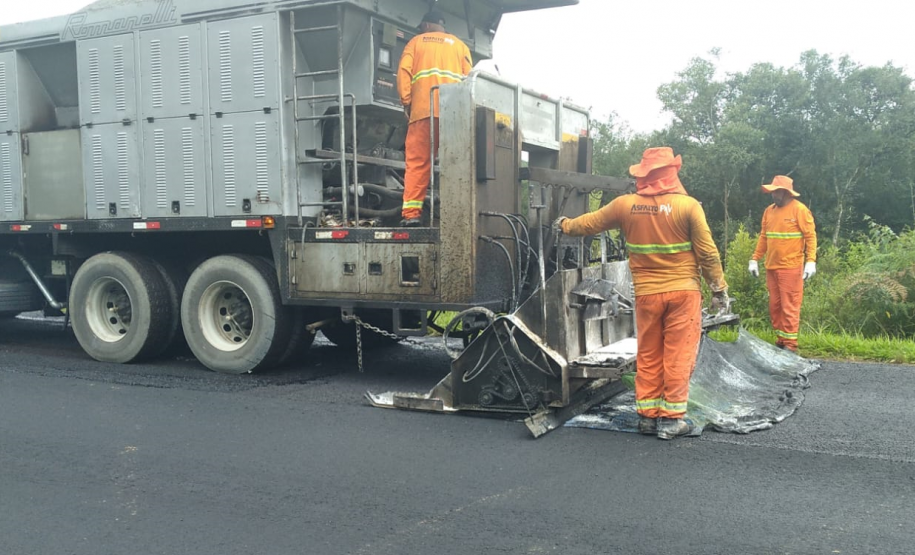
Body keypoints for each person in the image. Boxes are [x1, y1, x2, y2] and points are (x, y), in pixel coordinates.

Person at [555, 147, 728, 440]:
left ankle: (647, 418)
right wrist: (718, 289)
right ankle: (671, 420)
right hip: (683, 293)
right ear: (671, 173)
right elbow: (708, 253)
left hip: (647, 295)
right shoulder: (688, 207)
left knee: (649, 353)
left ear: (644, 175)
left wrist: (564, 225)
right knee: (678, 355)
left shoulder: (626, 205)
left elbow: (590, 223)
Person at [396, 10, 473, 227]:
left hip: (423, 111)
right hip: (454, 115)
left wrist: (406, 102)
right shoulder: (460, 46)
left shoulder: (416, 43)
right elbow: (471, 80)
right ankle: (457, 217)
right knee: (456, 164)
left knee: (417, 163)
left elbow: (404, 73)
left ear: (427, 25)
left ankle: (412, 215)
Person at [747, 175, 817, 352]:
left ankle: (790, 346)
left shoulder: (799, 210)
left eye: (776, 192)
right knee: (775, 306)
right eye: (772, 192)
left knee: (789, 306)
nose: (773, 195)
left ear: (786, 193)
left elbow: (810, 237)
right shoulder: (769, 211)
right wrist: (754, 259)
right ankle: (781, 341)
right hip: (772, 267)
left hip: (791, 267)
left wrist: (811, 261)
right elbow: (764, 237)